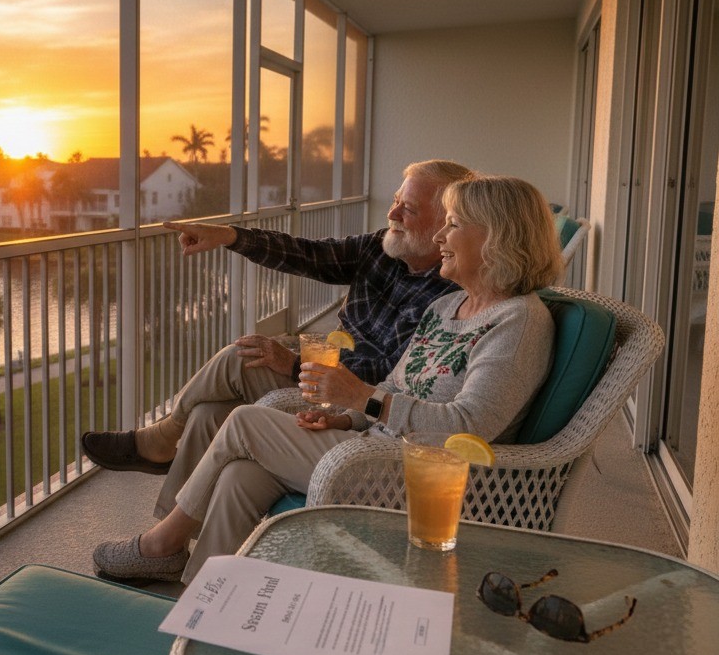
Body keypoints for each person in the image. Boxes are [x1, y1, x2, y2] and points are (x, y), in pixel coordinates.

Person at [92, 174, 562, 584]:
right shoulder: (447, 307)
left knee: (244, 422)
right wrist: (343, 417)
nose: (442, 234)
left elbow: (469, 425)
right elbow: (395, 389)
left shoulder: (516, 324)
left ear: (497, 237)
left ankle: (160, 545)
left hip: (423, 477)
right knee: (241, 473)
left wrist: (358, 397)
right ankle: (203, 591)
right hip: (372, 445)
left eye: (454, 224)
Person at [81, 159, 473, 526]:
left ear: (445, 223)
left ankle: (160, 441)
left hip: (351, 393)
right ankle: (169, 527)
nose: (392, 215)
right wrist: (231, 236)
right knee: (206, 414)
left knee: (240, 356)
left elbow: (387, 373)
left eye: (409, 209)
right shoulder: (380, 248)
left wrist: (291, 363)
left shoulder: (453, 292)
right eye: (395, 202)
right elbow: (309, 255)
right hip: (324, 369)